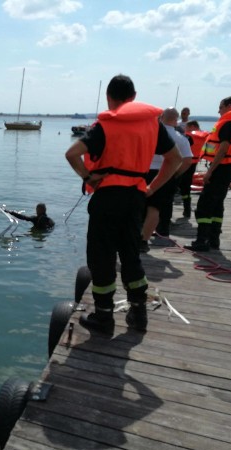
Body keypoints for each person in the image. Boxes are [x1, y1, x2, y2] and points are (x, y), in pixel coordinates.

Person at [65, 74, 182, 335]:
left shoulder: (105, 126)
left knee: (101, 257)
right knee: (131, 253)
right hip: (135, 198)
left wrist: (88, 177)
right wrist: (151, 187)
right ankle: (138, 314)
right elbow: (174, 159)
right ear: (134, 97)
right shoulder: (154, 125)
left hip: (107, 199)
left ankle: (104, 318)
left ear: (109, 97)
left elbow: (72, 154)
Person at [185, 96, 231, 251]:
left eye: (221, 107)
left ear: (229, 106)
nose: (218, 111)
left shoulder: (228, 124)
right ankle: (213, 240)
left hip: (219, 169)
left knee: (204, 206)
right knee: (217, 206)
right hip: (227, 169)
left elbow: (223, 148)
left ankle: (201, 241)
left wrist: (209, 172)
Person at [141, 107, 192, 251]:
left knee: (141, 206)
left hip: (146, 172)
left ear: (161, 117)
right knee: (155, 208)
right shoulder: (181, 138)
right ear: (176, 121)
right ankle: (148, 238)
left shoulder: (149, 134)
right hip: (167, 173)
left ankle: (136, 234)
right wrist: (176, 174)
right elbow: (188, 160)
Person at [179, 120, 209, 218]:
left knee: (180, 185)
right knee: (186, 186)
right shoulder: (204, 136)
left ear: (192, 127)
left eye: (186, 127)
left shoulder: (188, 137)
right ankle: (187, 208)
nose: (185, 130)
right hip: (194, 163)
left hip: (184, 163)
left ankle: (186, 208)